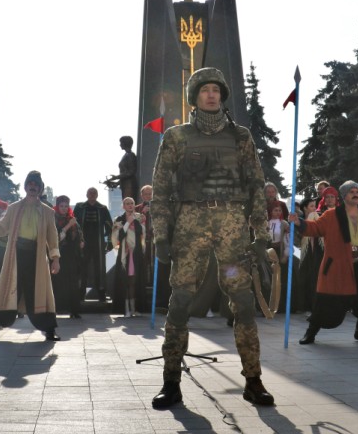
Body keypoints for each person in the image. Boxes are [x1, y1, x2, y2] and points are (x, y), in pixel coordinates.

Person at [149, 66, 274, 409]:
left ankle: (253, 380)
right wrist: (161, 235)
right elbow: (159, 191)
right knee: (181, 302)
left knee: (244, 303)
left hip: (232, 227)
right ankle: (171, 381)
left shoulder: (240, 137)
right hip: (191, 225)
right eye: (205, 89)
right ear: (195, 96)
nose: (211, 94)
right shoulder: (176, 137)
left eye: (216, 89)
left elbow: (256, 187)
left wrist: (261, 235)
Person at [290, 180, 358, 346]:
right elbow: (315, 228)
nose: (355, 193)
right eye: (351, 191)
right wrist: (299, 222)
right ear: (344, 195)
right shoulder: (331, 215)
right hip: (338, 267)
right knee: (326, 302)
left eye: (357, 191)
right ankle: (310, 333)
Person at [0, 170, 61, 342]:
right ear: (25, 187)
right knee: (7, 290)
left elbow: (53, 237)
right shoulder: (14, 208)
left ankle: (50, 331)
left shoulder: (47, 212)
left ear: (40, 189)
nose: (33, 188)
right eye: (30, 184)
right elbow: (1, 229)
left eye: (36, 185)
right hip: (15, 256)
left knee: (38, 292)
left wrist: (55, 259)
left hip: (36, 258)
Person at [74, 187, 113, 302]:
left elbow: (109, 226)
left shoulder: (102, 208)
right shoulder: (79, 207)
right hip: (83, 243)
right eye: (90, 193)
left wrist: (109, 241)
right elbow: (74, 224)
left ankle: (101, 293)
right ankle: (80, 293)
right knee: (82, 267)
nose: (92, 195)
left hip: (98, 243)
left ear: (97, 195)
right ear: (86, 194)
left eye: (94, 193)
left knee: (99, 268)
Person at [111, 196, 146, 317]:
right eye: (127, 203)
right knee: (124, 281)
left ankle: (134, 308)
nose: (130, 205)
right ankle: (126, 309)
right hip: (124, 254)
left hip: (136, 254)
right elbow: (117, 238)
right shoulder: (118, 219)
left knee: (135, 282)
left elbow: (142, 235)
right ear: (123, 206)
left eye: (132, 203)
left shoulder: (139, 218)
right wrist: (128, 222)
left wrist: (139, 222)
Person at [52, 195, 83, 318]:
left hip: (71, 256)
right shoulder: (53, 219)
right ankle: (56, 309)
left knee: (73, 283)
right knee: (57, 282)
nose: (64, 209)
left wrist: (81, 240)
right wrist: (68, 226)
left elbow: (80, 234)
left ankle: (74, 310)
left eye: (66, 206)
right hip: (58, 256)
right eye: (61, 206)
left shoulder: (72, 220)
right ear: (57, 206)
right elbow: (56, 238)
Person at [110, 136, 140, 202]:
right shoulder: (126, 155)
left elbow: (131, 171)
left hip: (129, 185)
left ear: (125, 143)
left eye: (121, 142)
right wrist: (117, 183)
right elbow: (125, 173)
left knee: (129, 203)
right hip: (125, 184)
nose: (120, 144)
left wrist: (116, 177)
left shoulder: (130, 155)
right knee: (126, 204)